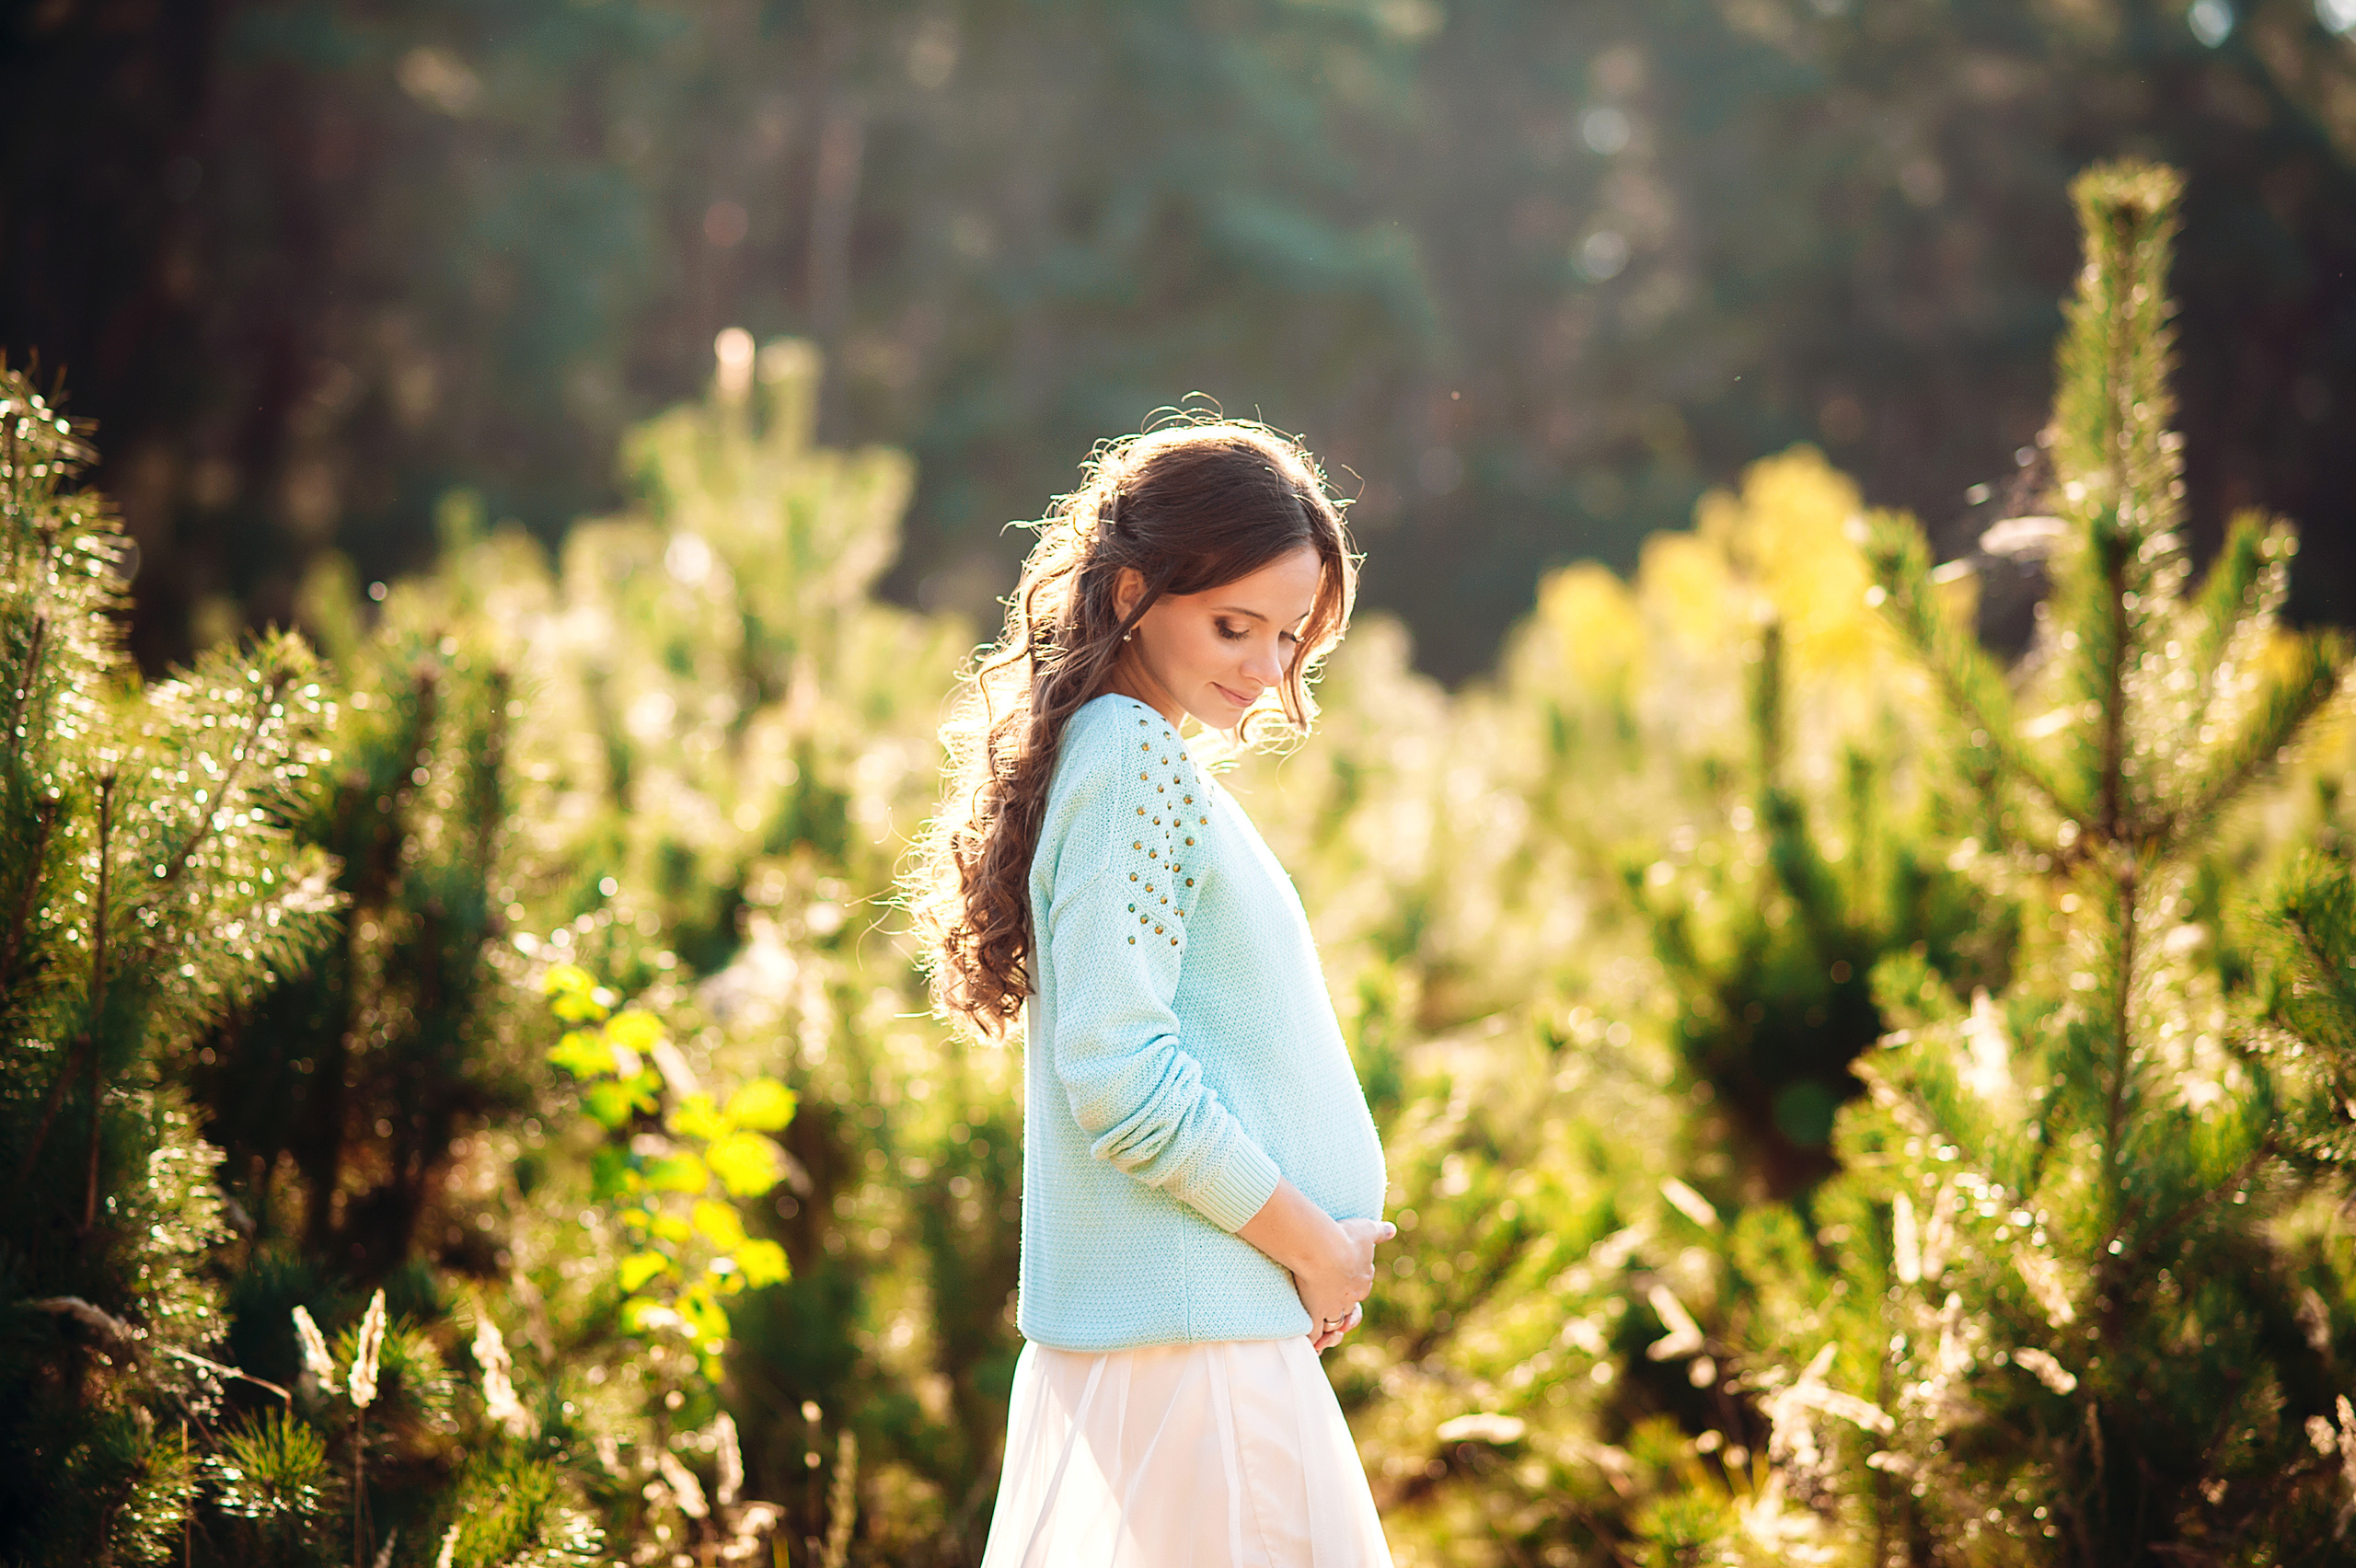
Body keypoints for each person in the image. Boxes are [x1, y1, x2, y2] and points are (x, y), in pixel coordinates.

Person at [909, 421, 1397, 1565]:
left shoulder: (1125, 753)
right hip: (1195, 1353)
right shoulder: (1132, 760)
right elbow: (1121, 1078)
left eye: (1288, 639)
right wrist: (1313, 1248)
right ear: (1134, 589)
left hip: (1201, 1336)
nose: (1266, 669)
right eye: (1234, 626)